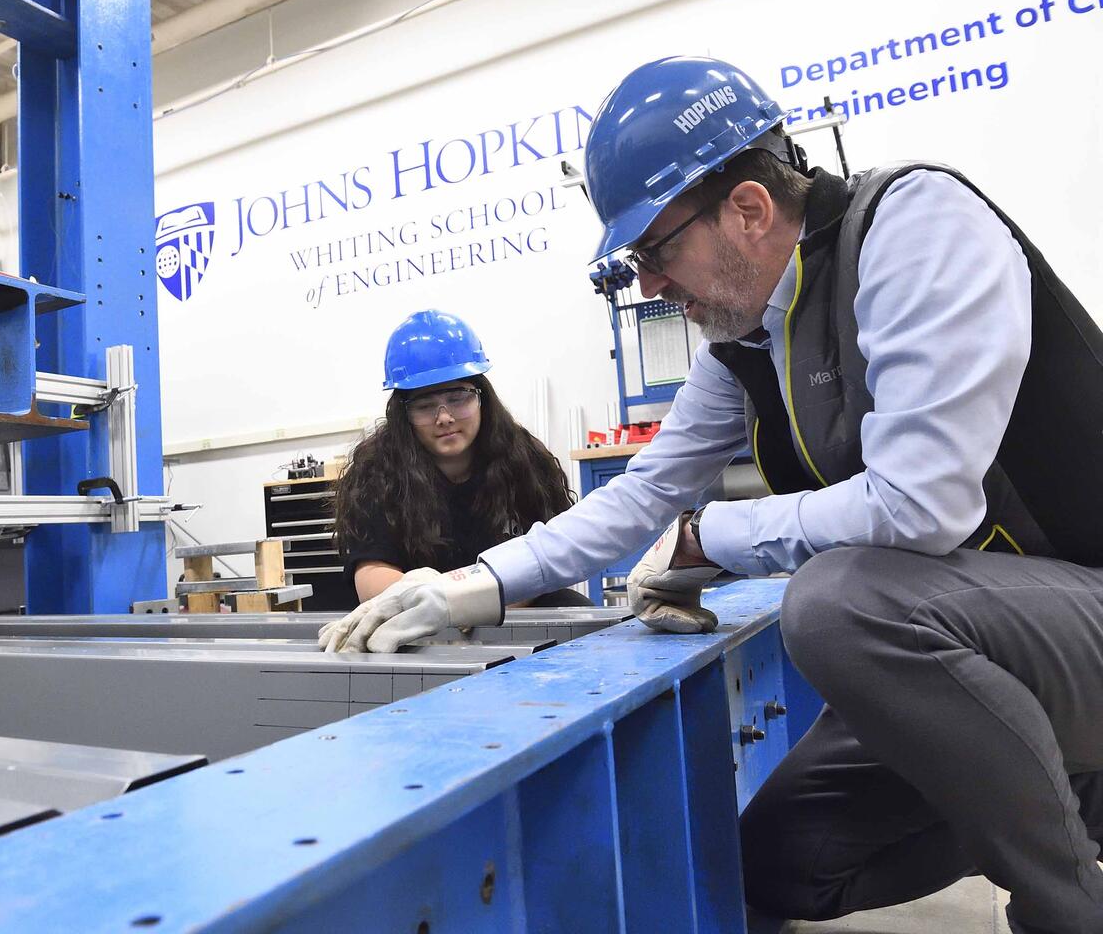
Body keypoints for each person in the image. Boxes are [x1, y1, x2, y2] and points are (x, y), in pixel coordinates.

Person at [318, 55, 1103, 934]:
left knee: (841, 603)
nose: (648, 284)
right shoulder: (749, 343)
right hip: (990, 654)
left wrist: (710, 536)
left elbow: (921, 506)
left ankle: (1066, 905)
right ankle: (1062, 783)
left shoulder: (916, 227)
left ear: (750, 209)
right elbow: (643, 493)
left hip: (1083, 613)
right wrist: (476, 585)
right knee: (772, 860)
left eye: (655, 249)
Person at [323, 309, 591, 629]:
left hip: (513, 611)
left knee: (576, 611)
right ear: (403, 414)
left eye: (458, 398)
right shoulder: (377, 473)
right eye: (424, 406)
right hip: (417, 624)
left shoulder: (526, 462)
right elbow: (371, 575)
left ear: (481, 397)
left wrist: (472, 608)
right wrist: (433, 607)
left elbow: (552, 555)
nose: (444, 418)